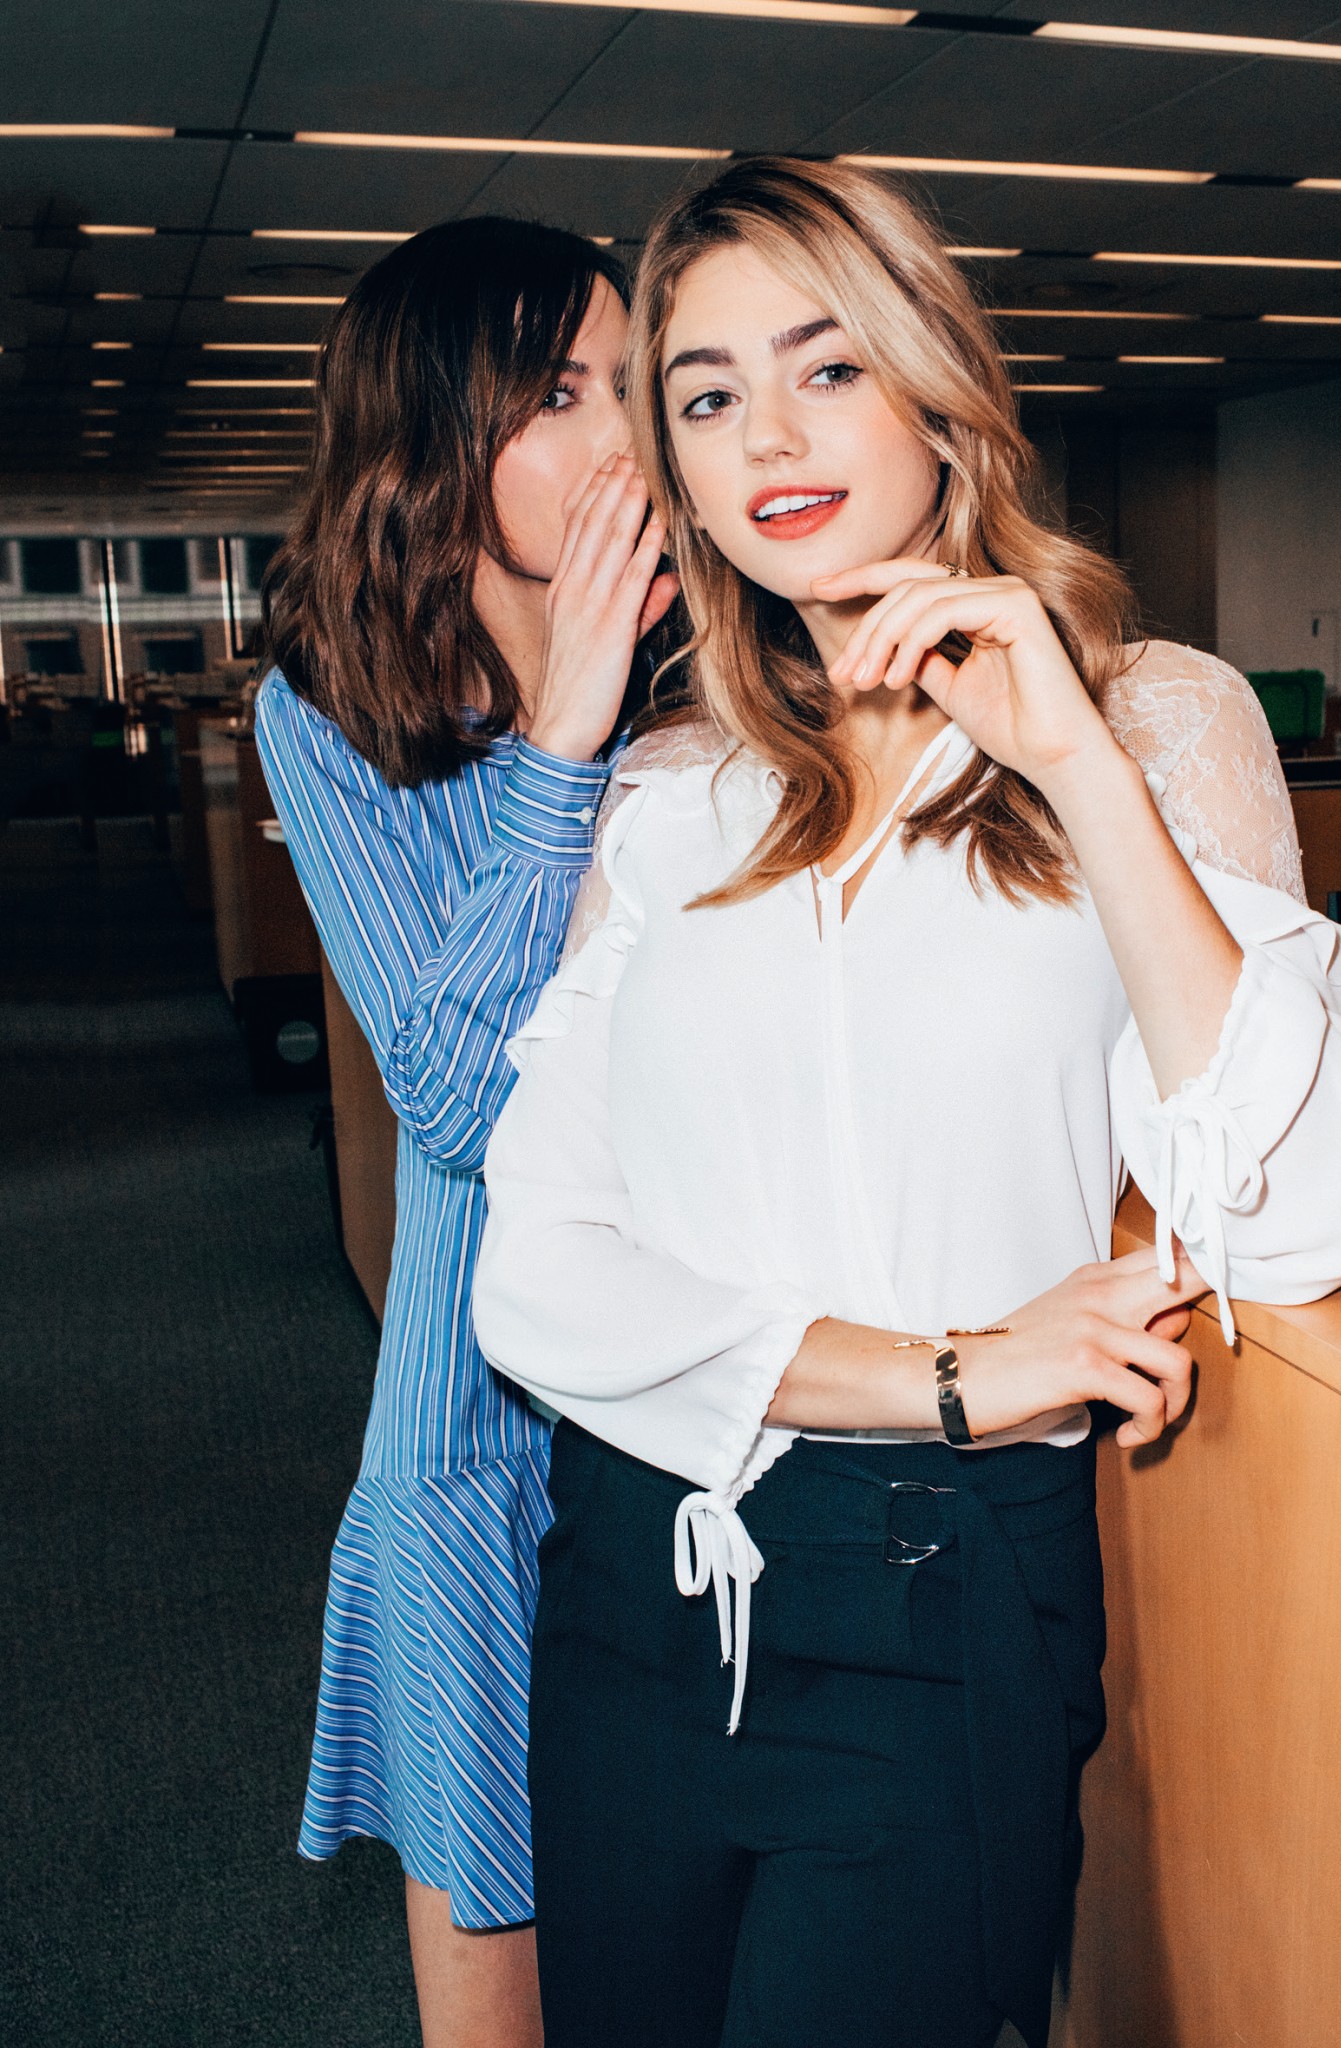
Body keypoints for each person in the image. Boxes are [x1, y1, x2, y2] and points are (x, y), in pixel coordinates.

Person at [473, 159, 1341, 2048]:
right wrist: (954, 1370)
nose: (770, 436)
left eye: (827, 368)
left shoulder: (1154, 722)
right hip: (629, 1589)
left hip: (938, 1599)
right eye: (709, 395)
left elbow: (1317, 1207)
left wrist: (1070, 759)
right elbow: (537, 1280)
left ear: (938, 389)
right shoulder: (672, 795)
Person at [254, 216, 676, 2047]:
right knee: (501, 1958)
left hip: (701, 1378)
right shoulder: (331, 716)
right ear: (440, 434)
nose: (622, 434)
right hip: (482, 1422)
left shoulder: (717, 676)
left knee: (679, 1934)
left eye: (628, 382)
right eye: (558, 392)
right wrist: (564, 739)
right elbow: (449, 1096)